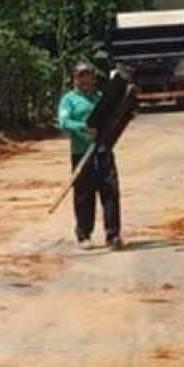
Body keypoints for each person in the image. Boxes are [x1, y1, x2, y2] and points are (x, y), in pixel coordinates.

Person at [57, 62, 122, 250]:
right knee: (84, 195)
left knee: (110, 191)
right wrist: (83, 127)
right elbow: (64, 122)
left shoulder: (101, 98)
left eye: (88, 75)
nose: (84, 79)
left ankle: (113, 235)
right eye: (80, 75)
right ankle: (84, 234)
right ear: (74, 78)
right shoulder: (68, 100)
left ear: (94, 78)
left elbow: (113, 117)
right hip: (81, 153)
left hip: (103, 152)